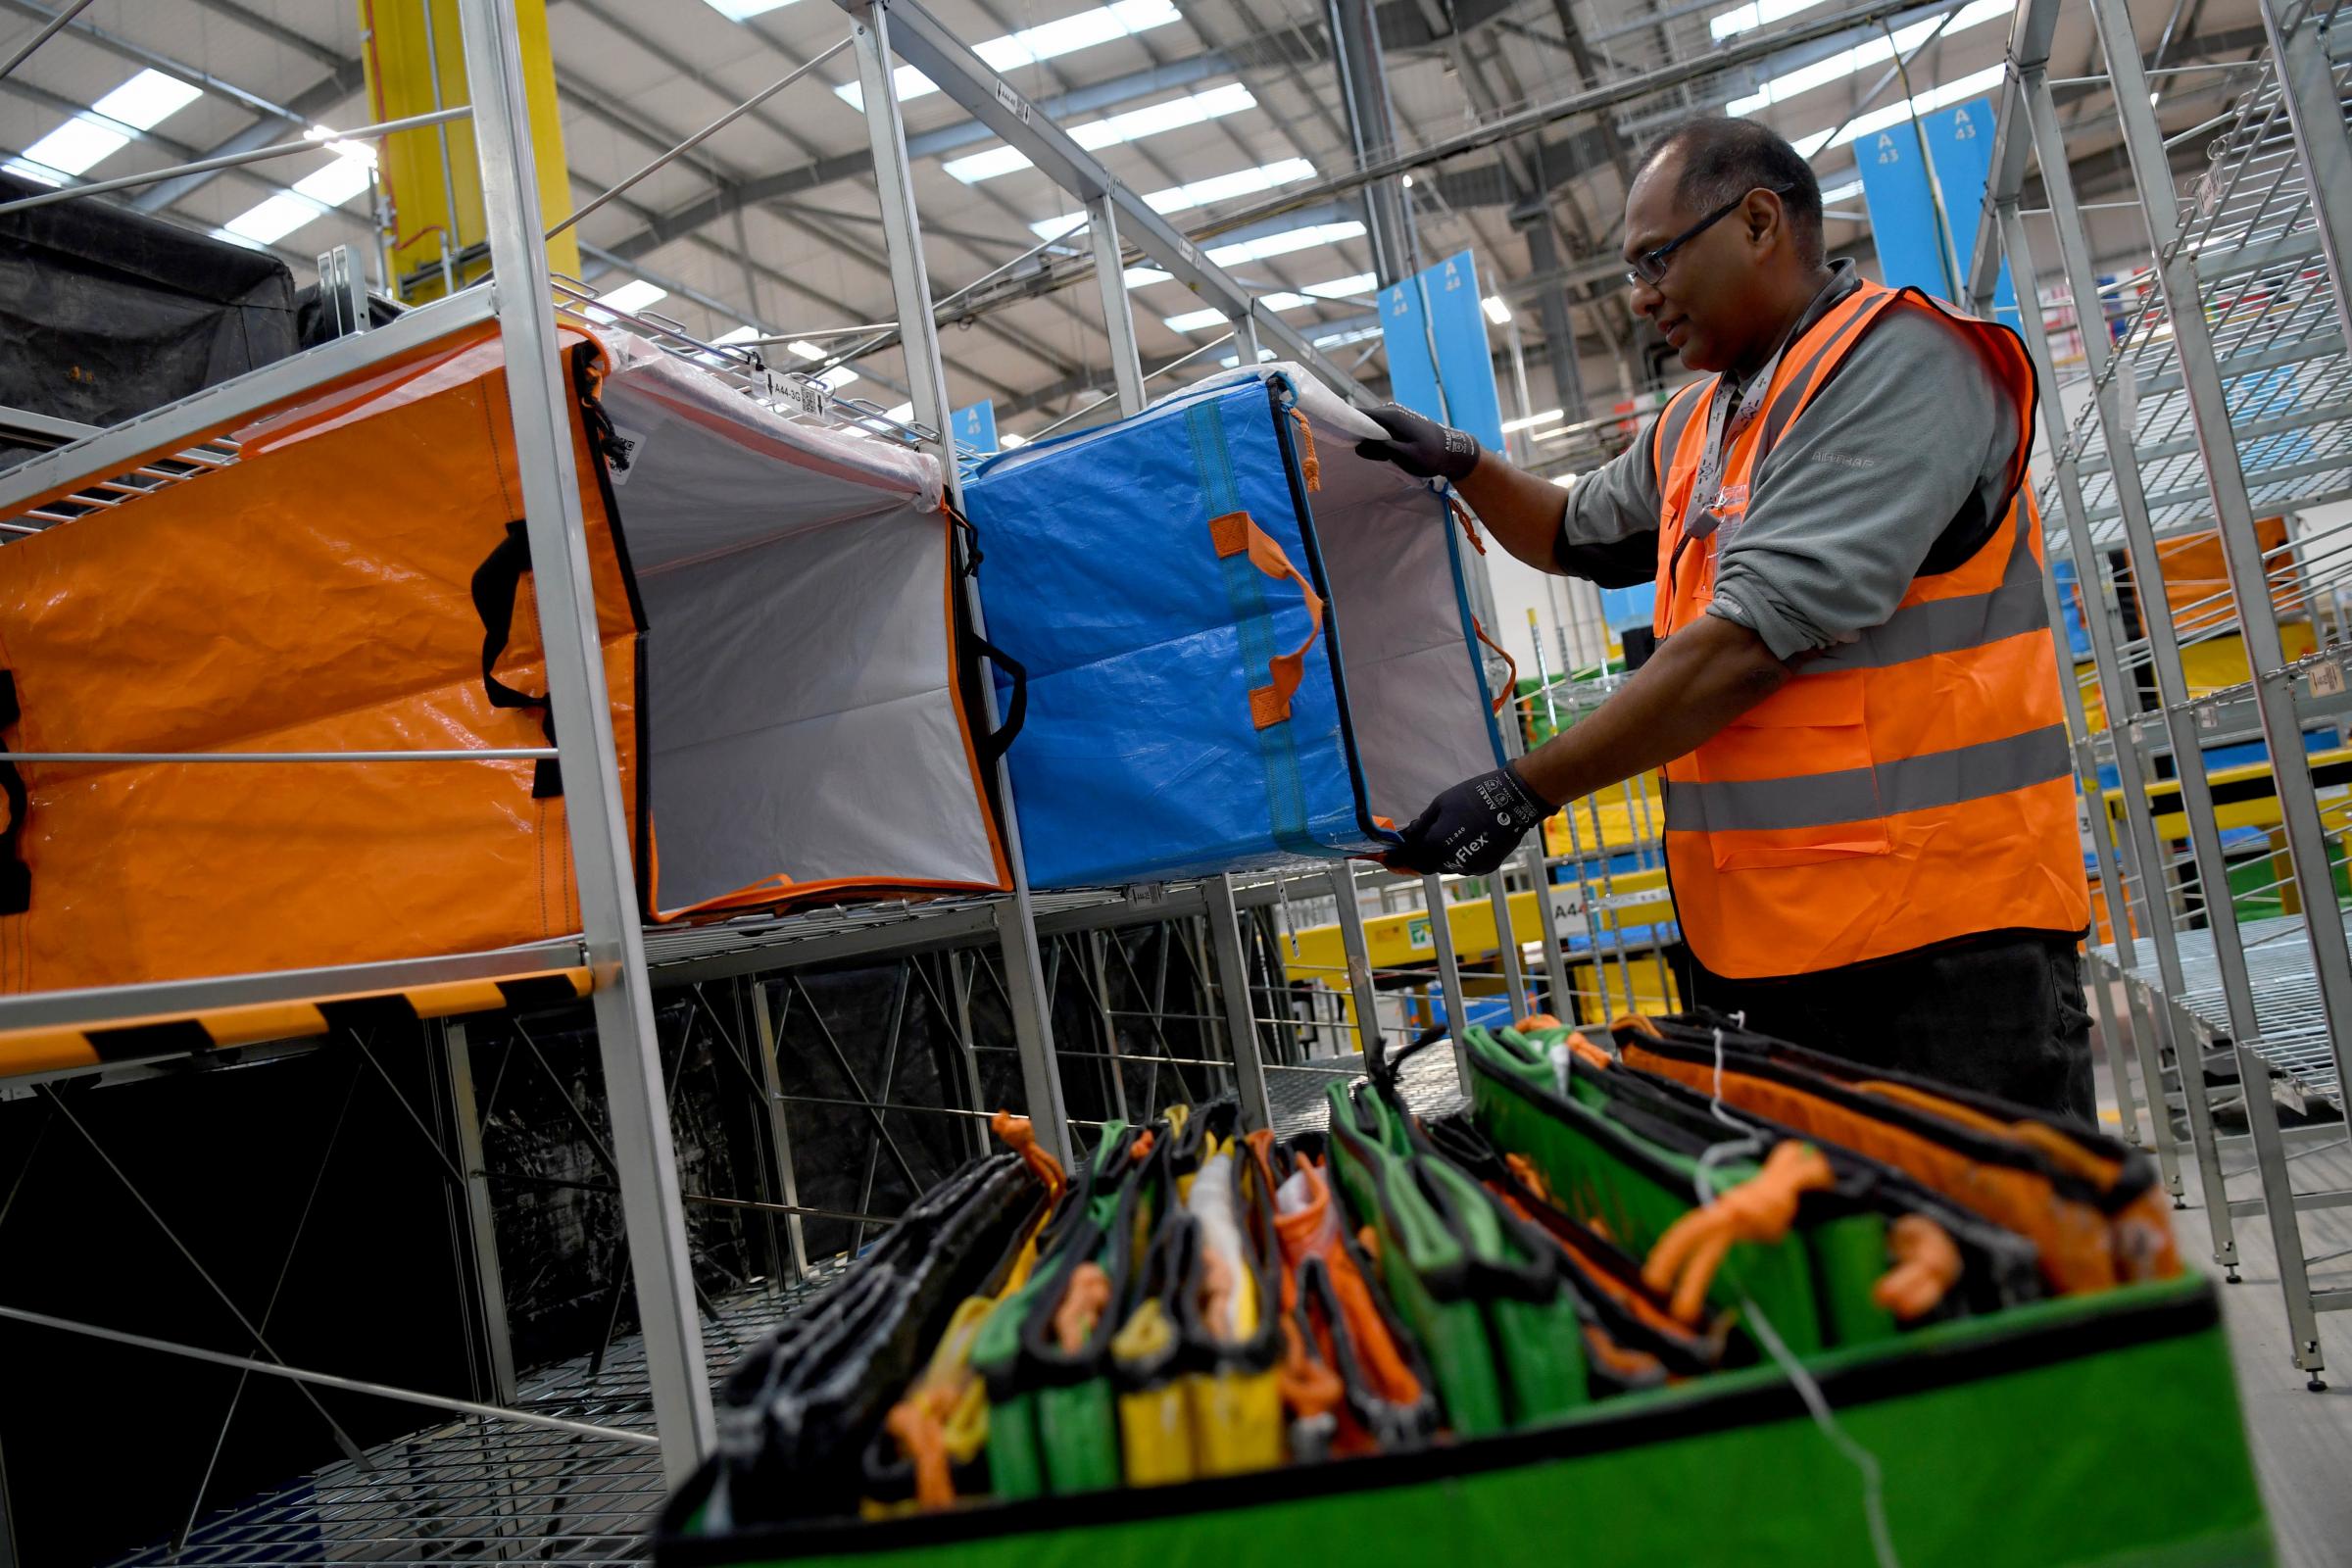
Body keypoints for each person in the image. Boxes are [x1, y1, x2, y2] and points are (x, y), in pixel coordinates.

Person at [1355, 116, 2095, 1120]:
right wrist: (1463, 462)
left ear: (1757, 222)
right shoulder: (1703, 420)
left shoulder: (1897, 364)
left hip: (1942, 950)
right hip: (1769, 949)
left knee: (1982, 1265)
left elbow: (1747, 646)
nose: (1641, 296)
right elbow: (1575, 529)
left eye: (1655, 258)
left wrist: (1525, 790)